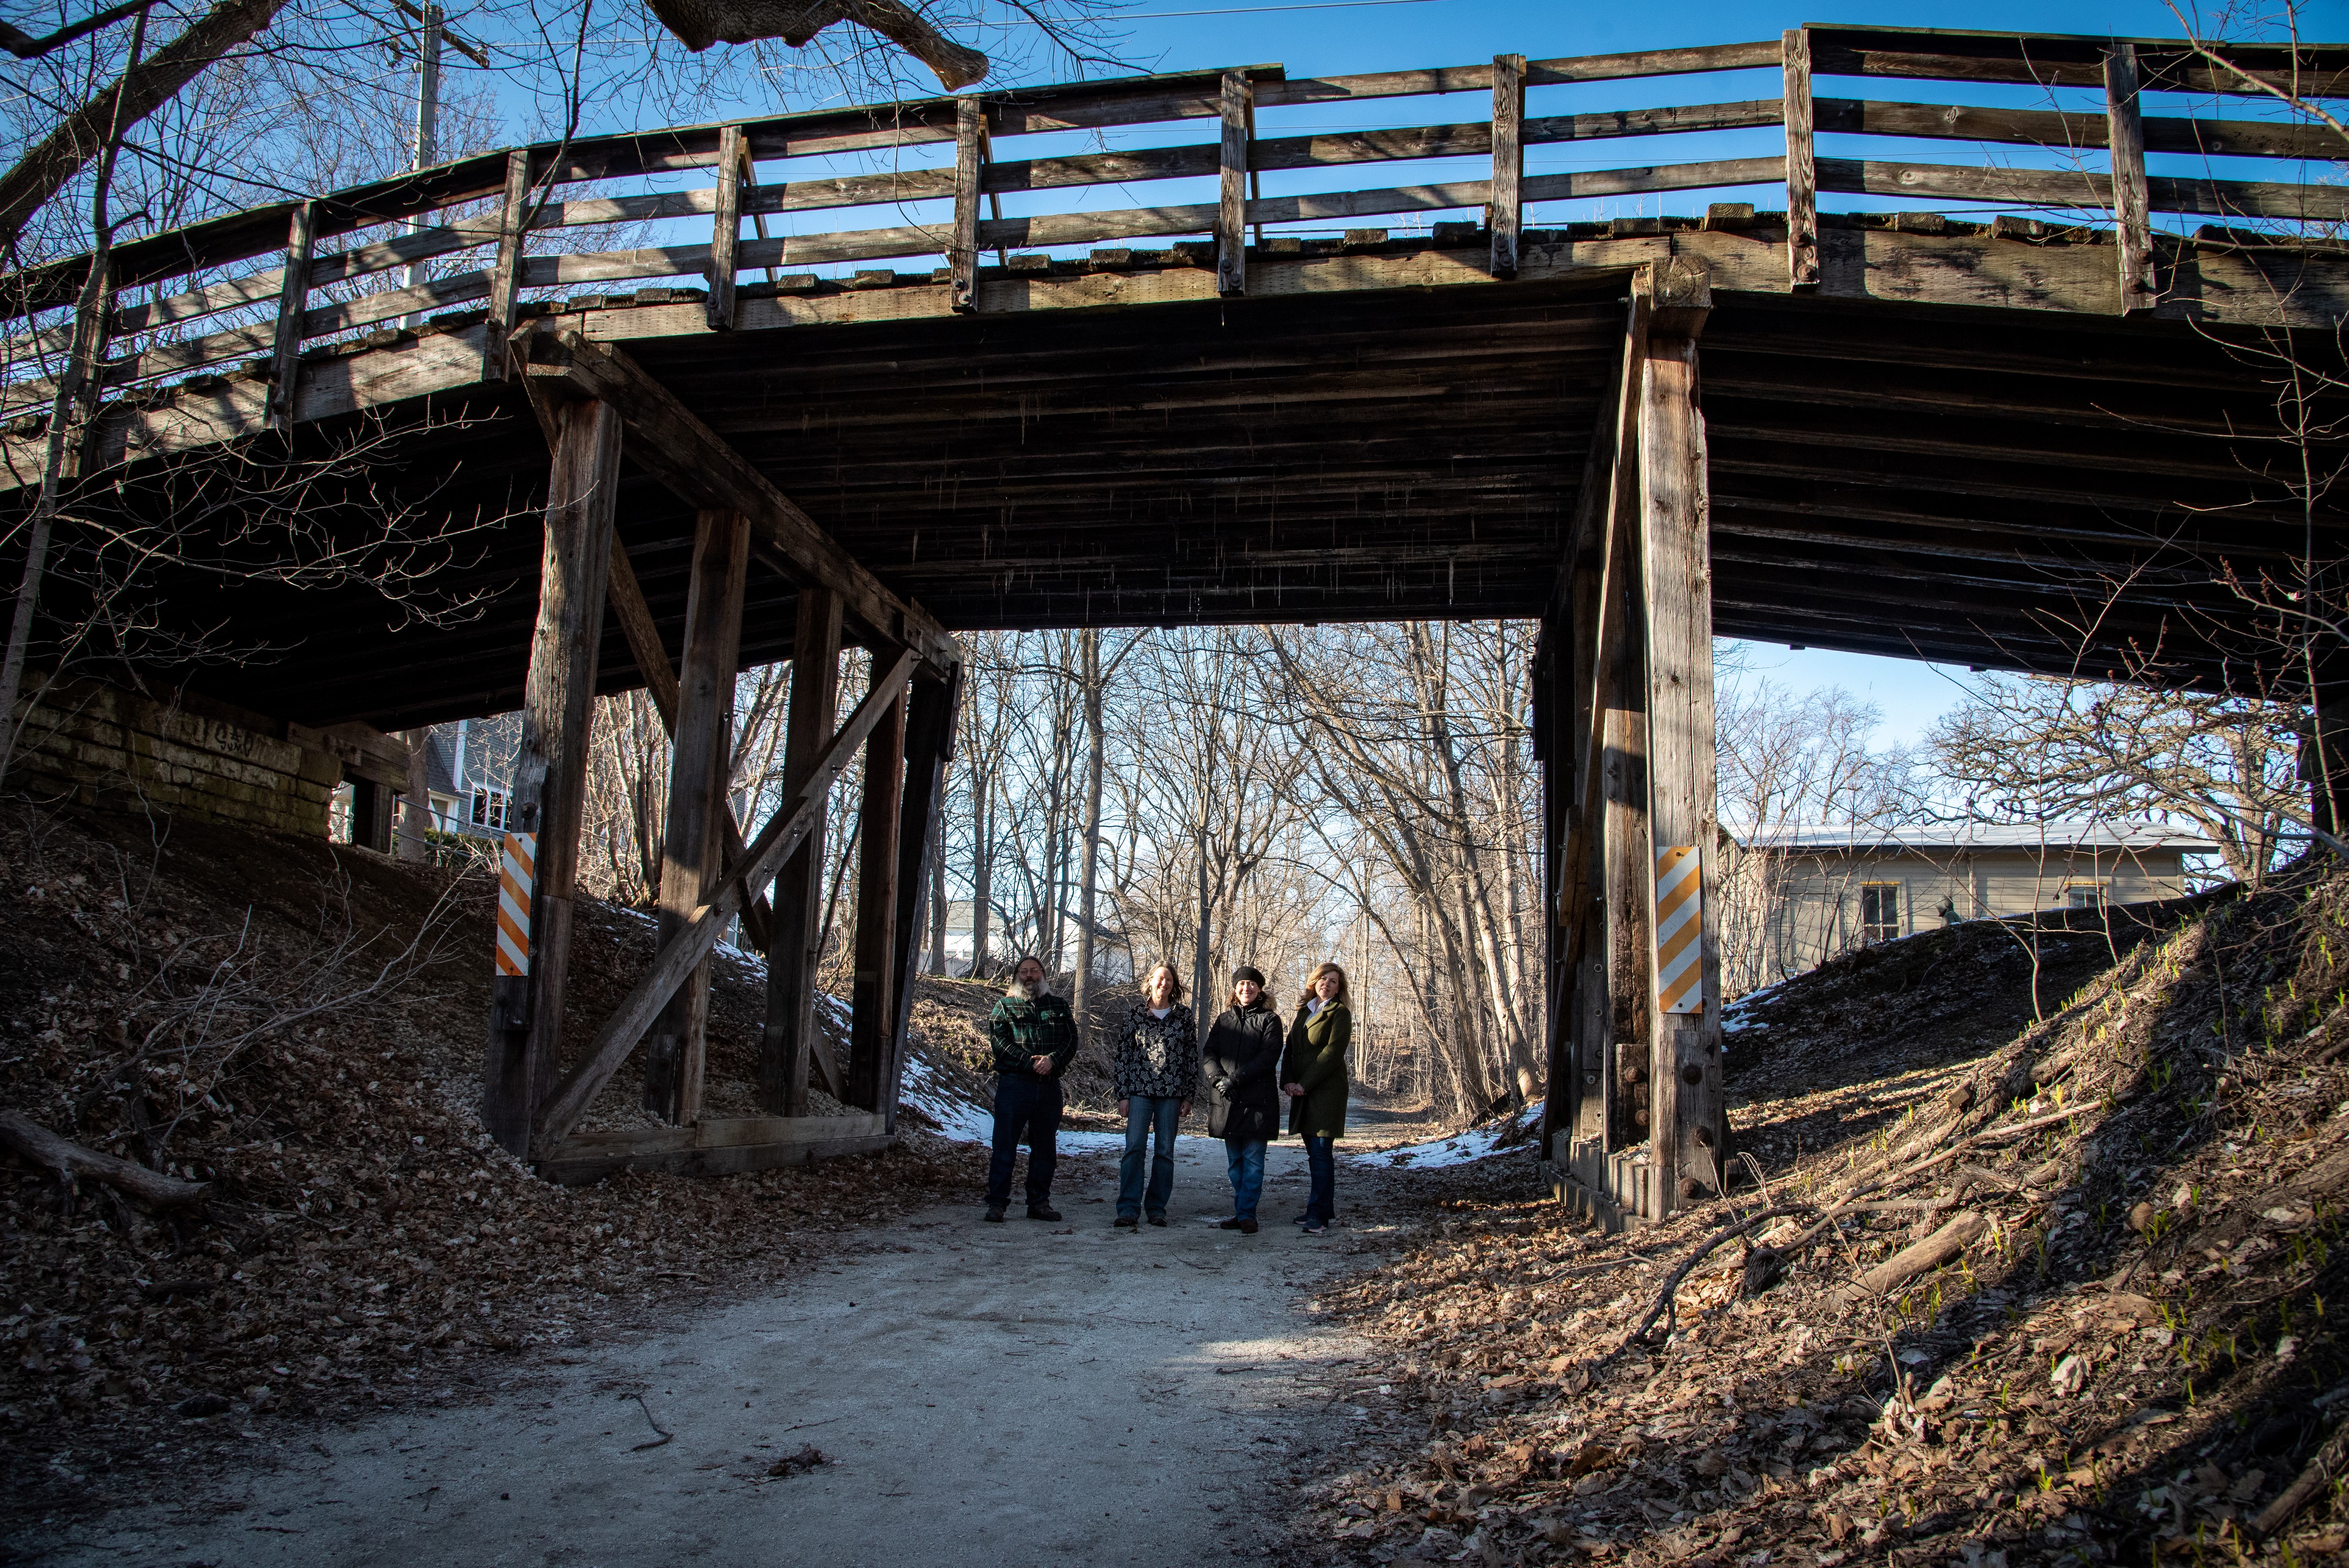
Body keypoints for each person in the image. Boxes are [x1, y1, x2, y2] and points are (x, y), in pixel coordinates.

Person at [984, 955, 1076, 1223]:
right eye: (1024, 971)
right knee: (1004, 1145)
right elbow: (999, 1043)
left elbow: (1071, 1040)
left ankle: (1039, 1203)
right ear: (1016, 976)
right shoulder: (1004, 1007)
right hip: (1014, 1085)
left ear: (1043, 975)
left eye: (1034, 971)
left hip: (1049, 1088)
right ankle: (997, 1204)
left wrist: (1053, 1061)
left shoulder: (1058, 1006)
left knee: (1045, 1147)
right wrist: (1031, 1062)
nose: (1029, 976)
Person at [1110, 964, 1198, 1229]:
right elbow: (1123, 1057)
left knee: (1165, 1152)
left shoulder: (1183, 1016)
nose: (1165, 983)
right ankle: (1128, 1208)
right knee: (1134, 1148)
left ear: (1175, 984)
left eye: (1170, 979)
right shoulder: (1135, 1015)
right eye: (1160, 978)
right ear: (1150, 981)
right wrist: (1123, 1095)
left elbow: (1191, 1058)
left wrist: (1189, 1095)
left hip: (1172, 1094)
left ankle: (1157, 1208)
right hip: (1139, 1092)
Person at [1201, 964, 1284, 1235]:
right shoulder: (1223, 1021)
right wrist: (1218, 1080)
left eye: (1251, 984)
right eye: (1241, 984)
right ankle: (1242, 1211)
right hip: (1227, 1102)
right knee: (1235, 1163)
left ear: (1260, 989)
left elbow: (1268, 1057)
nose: (1246, 988)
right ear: (1235, 990)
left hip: (1257, 1102)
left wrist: (1234, 1079)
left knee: (1253, 1161)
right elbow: (1209, 1054)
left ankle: (1248, 1214)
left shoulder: (1270, 1020)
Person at [1281, 961, 1353, 1235]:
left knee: (1322, 1152)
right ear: (1314, 982)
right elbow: (1290, 1049)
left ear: (1338, 989)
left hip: (1326, 1091)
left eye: (1333, 981)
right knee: (1314, 1152)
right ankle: (1325, 1208)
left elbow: (1332, 1054)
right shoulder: (1304, 1012)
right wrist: (1288, 1081)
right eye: (1323, 979)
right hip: (1302, 1090)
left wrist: (1304, 1084)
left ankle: (1319, 1216)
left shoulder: (1340, 1014)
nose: (1327, 984)